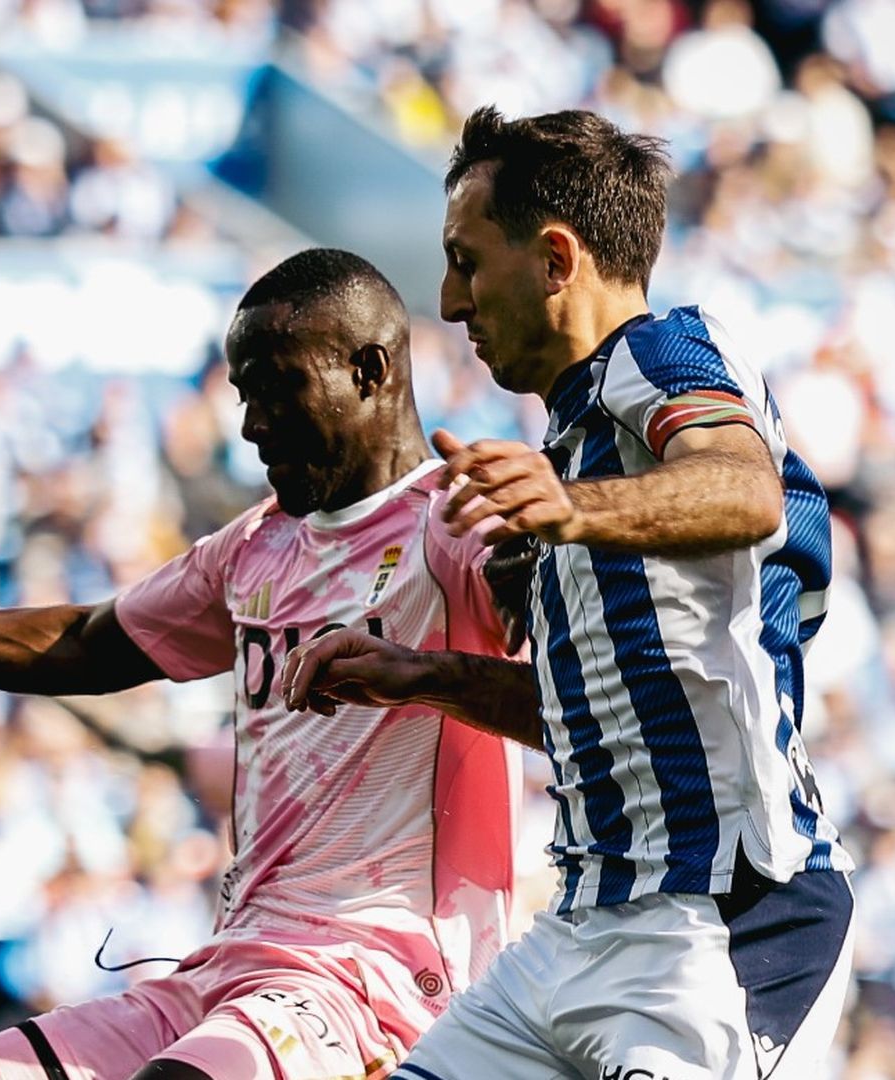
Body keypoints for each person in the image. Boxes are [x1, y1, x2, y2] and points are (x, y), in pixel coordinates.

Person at [0, 248, 520, 1080]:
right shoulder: (252, 548)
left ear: (370, 370)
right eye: (244, 397)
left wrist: (535, 566)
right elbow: (80, 643)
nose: (251, 427)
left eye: (277, 389)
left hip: (375, 980)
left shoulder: (456, 523)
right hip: (230, 967)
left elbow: (559, 653)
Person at [283, 108, 855, 1080]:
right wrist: (422, 675)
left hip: (720, 927)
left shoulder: (661, 351)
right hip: (574, 938)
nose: (452, 301)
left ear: (555, 258)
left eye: (466, 260)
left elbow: (749, 489)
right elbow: (594, 717)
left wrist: (570, 509)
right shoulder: (581, 452)